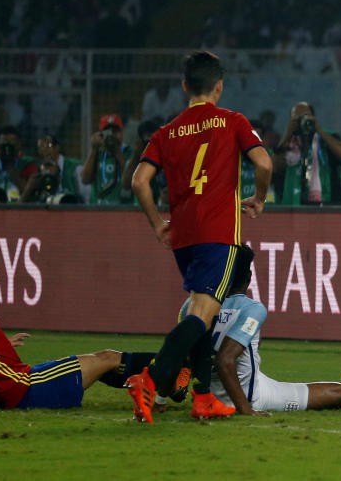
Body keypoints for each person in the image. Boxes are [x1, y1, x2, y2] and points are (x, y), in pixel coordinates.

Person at [124, 50, 272, 424]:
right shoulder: (232, 121)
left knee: (204, 311)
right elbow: (264, 163)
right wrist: (259, 197)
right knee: (203, 312)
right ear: (219, 87)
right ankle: (151, 379)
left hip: (184, 236)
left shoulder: (166, 132)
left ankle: (203, 396)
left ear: (184, 86)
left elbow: (139, 181)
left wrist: (158, 223)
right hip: (218, 234)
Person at [159, 246, 341, 414]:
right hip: (249, 395)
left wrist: (160, 401)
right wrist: (246, 409)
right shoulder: (251, 308)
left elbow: (177, 355)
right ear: (248, 277)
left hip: (212, 393)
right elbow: (225, 360)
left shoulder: (191, 305)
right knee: (338, 392)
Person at [0, 253, 155, 411]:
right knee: (108, 358)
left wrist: (0, 344)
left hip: (7, 392)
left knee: (97, 366)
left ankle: (161, 385)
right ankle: (172, 366)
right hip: (25, 388)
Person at [273, 102, 341, 205]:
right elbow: (274, 168)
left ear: (313, 117)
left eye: (305, 116)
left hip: (328, 204)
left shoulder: (328, 137)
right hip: (293, 208)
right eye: (297, 118)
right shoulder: (288, 143)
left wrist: (319, 130)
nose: (302, 120)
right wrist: (288, 134)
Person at [81, 114, 133, 205]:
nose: (112, 136)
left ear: (122, 132)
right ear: (101, 134)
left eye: (115, 132)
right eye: (108, 132)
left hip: (122, 207)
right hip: (97, 206)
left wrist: (116, 151)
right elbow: (85, 179)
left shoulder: (129, 152)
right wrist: (94, 149)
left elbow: (134, 177)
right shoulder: (98, 152)